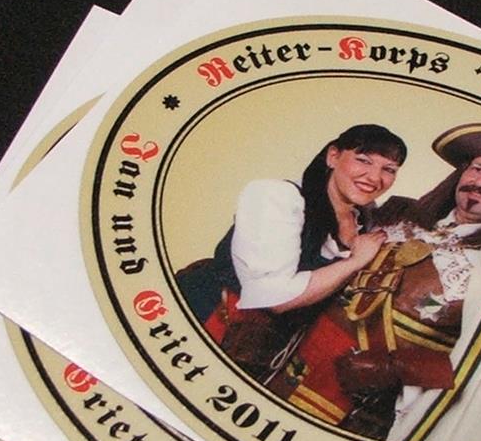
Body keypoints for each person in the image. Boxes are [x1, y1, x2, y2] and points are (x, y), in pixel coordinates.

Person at [266, 123, 481, 441]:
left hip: (362, 420)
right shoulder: (395, 213)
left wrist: (397, 369)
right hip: (283, 371)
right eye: (477, 168)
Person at [173, 124, 408, 382]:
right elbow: (275, 298)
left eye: (389, 169)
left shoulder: (366, 221)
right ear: (333, 156)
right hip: (198, 326)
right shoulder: (278, 198)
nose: (374, 178)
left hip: (266, 357)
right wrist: (355, 261)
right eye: (363, 160)